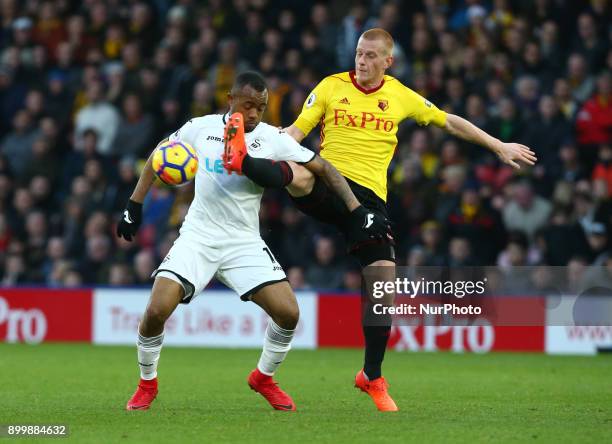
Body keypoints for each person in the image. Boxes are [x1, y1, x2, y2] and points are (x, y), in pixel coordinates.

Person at [223, 29, 537, 412]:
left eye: (371, 55)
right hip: (328, 182)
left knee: (383, 279)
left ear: (388, 61)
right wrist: (257, 139)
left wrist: (497, 145)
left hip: (368, 201)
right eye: (358, 53)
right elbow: (294, 133)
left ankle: (371, 376)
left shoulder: (400, 95)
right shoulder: (330, 87)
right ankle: (240, 160)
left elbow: (448, 122)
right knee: (301, 169)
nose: (362, 61)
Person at [116, 71, 389, 412]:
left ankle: (263, 377)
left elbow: (324, 168)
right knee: (157, 310)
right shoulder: (200, 127)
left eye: (260, 107)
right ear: (231, 100)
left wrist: (357, 210)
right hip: (198, 237)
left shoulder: (273, 138)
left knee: (289, 313)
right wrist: (134, 204)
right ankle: (147, 384)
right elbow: (160, 154)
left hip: (243, 241)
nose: (255, 113)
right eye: (248, 105)